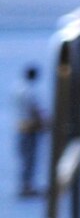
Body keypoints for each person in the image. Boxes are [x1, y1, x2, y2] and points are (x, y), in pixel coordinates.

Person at [15, 65, 44, 198]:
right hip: (30, 129)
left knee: (24, 158)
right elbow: (34, 110)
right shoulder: (30, 91)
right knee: (30, 159)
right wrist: (44, 123)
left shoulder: (18, 89)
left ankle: (24, 185)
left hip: (20, 128)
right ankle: (27, 187)